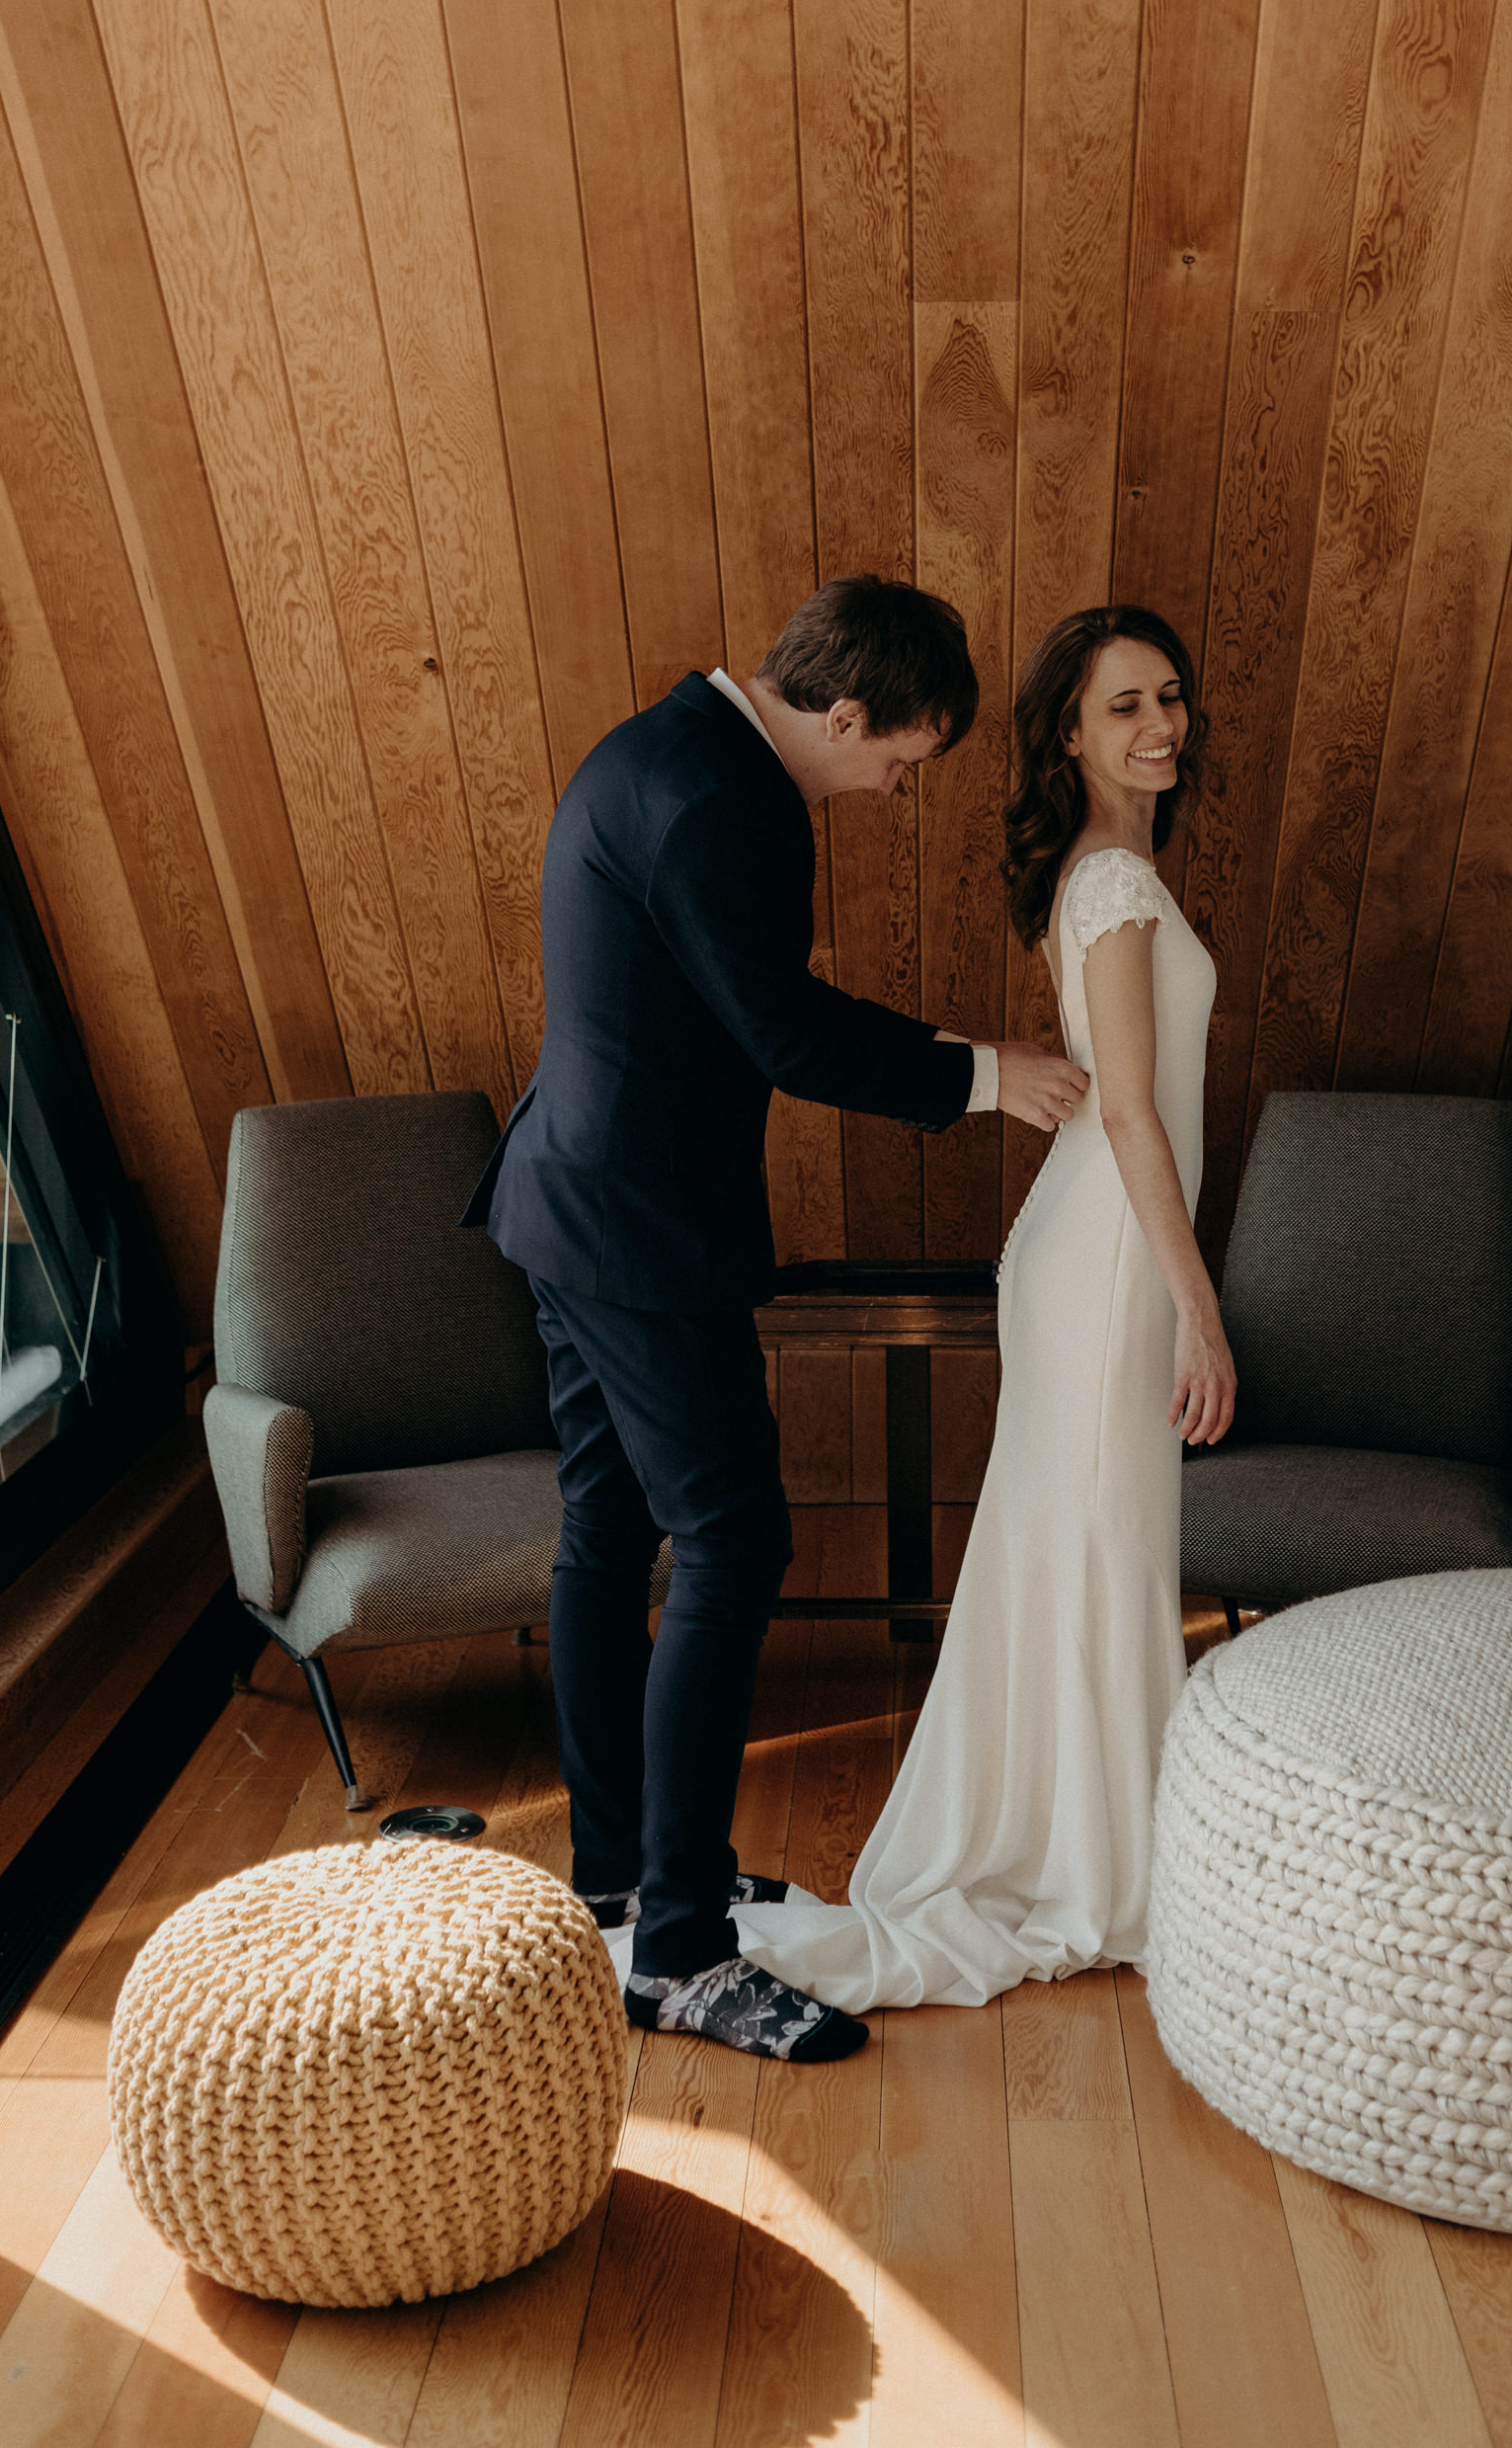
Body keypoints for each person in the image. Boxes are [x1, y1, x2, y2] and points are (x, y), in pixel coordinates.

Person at [464, 578, 1087, 2064]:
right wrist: (988, 1075)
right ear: (847, 710)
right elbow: (785, 1031)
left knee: (609, 1534)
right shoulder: (720, 805)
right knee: (735, 1543)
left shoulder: (657, 750)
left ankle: (617, 1876)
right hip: (633, 1235)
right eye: (902, 759)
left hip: (566, 1203)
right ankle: (677, 1948)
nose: (896, 787)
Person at [731, 604, 1236, 2010]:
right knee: (1099, 1541)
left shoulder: (1110, 872)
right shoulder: (1114, 888)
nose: (1160, 727)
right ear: (1068, 736)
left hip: (1091, 1242)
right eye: (1124, 706)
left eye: (1171, 698)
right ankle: (1099, 1856)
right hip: (1116, 1252)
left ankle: (1100, 1839)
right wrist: (1202, 1307)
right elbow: (1130, 1111)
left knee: (1092, 1540)